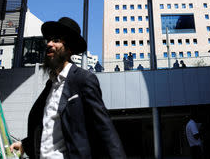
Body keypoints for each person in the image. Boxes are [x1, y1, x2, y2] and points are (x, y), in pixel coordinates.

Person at [10, 17, 126, 159]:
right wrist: (25, 145)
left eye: (56, 40)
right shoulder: (50, 85)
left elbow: (104, 128)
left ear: (69, 48)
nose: (49, 44)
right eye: (49, 40)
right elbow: (48, 127)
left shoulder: (83, 79)